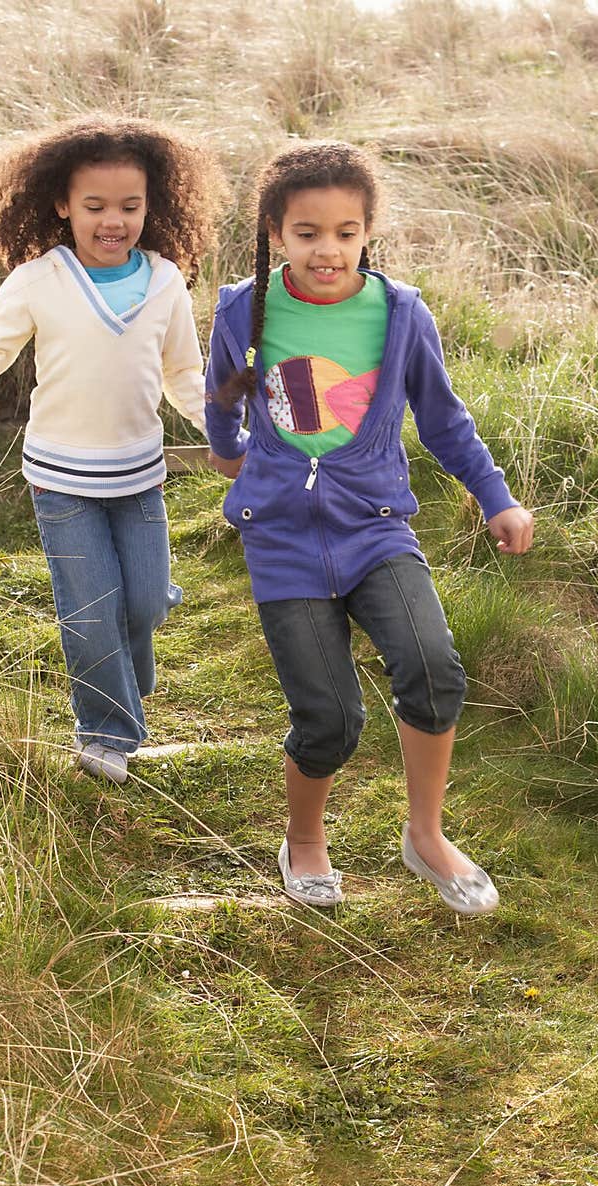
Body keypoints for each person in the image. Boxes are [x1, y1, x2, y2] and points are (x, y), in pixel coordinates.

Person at [204, 141, 533, 913]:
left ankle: (426, 836)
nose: (328, 249)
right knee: (329, 717)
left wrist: (497, 498)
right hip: (282, 537)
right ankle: (306, 841)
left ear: (366, 234)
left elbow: (445, 422)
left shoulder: (399, 314)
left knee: (433, 667)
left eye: (346, 232)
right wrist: (232, 455)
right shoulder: (240, 308)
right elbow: (222, 396)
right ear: (275, 233)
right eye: (308, 232)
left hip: (377, 526)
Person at [0, 115, 224, 784]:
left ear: (153, 205)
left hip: (139, 479)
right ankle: (106, 734)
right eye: (94, 206)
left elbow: (183, 378)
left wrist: (235, 430)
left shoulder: (166, 280)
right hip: (61, 481)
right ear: (63, 204)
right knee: (89, 611)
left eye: (130, 206)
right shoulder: (39, 280)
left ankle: (125, 664)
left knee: (145, 604)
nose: (112, 220)